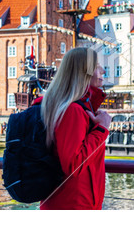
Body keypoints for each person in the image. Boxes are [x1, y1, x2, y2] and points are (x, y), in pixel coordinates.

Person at [38, 48, 111, 210]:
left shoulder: (76, 108)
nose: (103, 71)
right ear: (84, 72)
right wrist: (101, 129)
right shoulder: (73, 111)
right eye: (97, 66)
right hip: (73, 204)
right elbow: (73, 165)